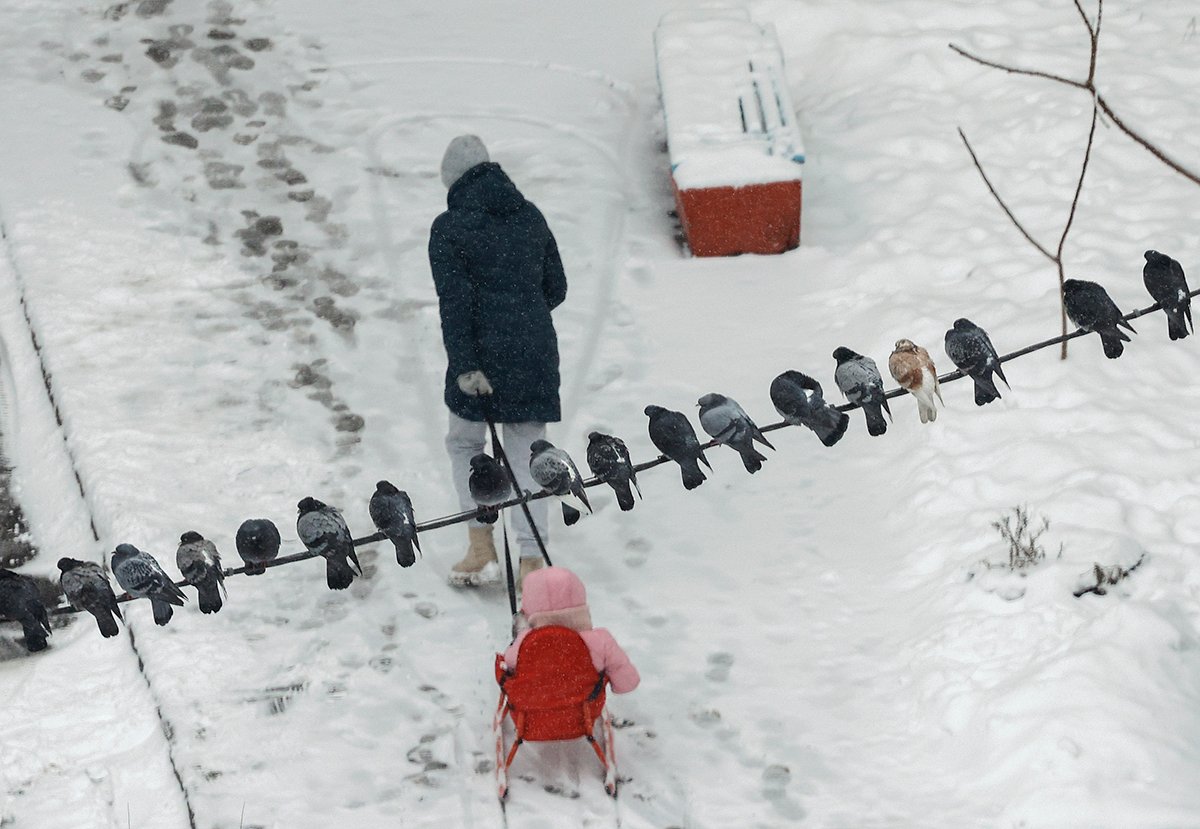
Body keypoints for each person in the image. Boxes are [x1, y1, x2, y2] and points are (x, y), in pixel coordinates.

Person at [429, 135, 568, 587]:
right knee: (529, 453)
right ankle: (531, 560)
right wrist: (521, 315)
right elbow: (557, 288)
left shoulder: (449, 228)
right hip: (533, 354)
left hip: (480, 357)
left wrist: (467, 364)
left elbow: (454, 302)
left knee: (466, 446)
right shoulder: (529, 216)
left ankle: (480, 544)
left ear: (452, 181)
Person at [503, 566, 640, 694]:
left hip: (535, 714)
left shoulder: (524, 643)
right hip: (585, 713)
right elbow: (628, 683)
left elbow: (508, 668)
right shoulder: (600, 641)